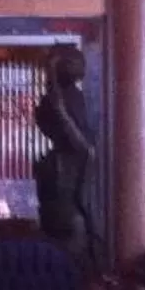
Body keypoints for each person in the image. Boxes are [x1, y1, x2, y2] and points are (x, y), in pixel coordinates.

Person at [32, 47, 98, 262]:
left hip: (69, 207)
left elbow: (83, 146)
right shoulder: (64, 98)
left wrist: (61, 113)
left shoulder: (73, 99)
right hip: (58, 204)